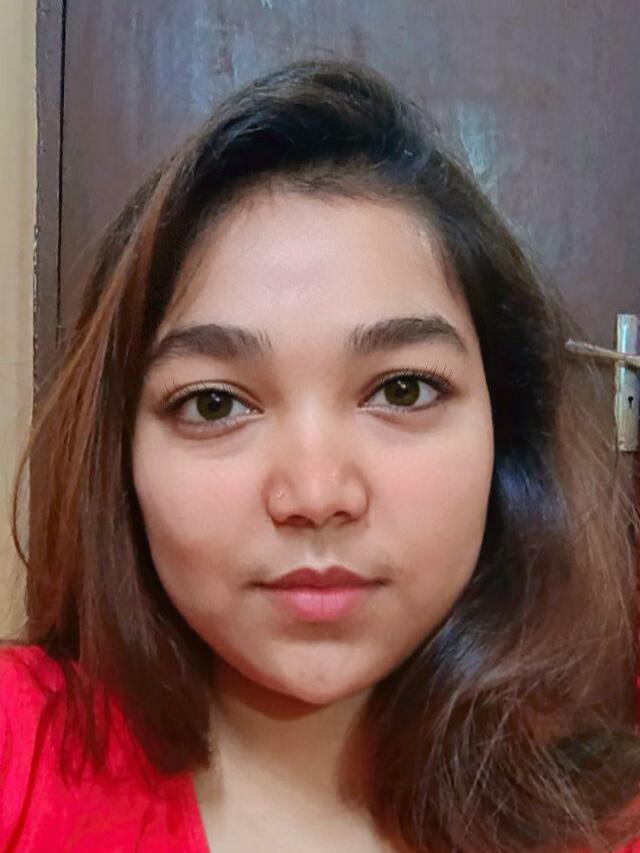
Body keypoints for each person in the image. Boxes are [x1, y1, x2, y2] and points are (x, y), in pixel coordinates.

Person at [1, 57, 639, 853]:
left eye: (403, 389)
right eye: (214, 403)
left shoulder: (608, 826)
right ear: (120, 457)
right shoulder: (19, 753)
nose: (314, 492)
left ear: (505, 432)